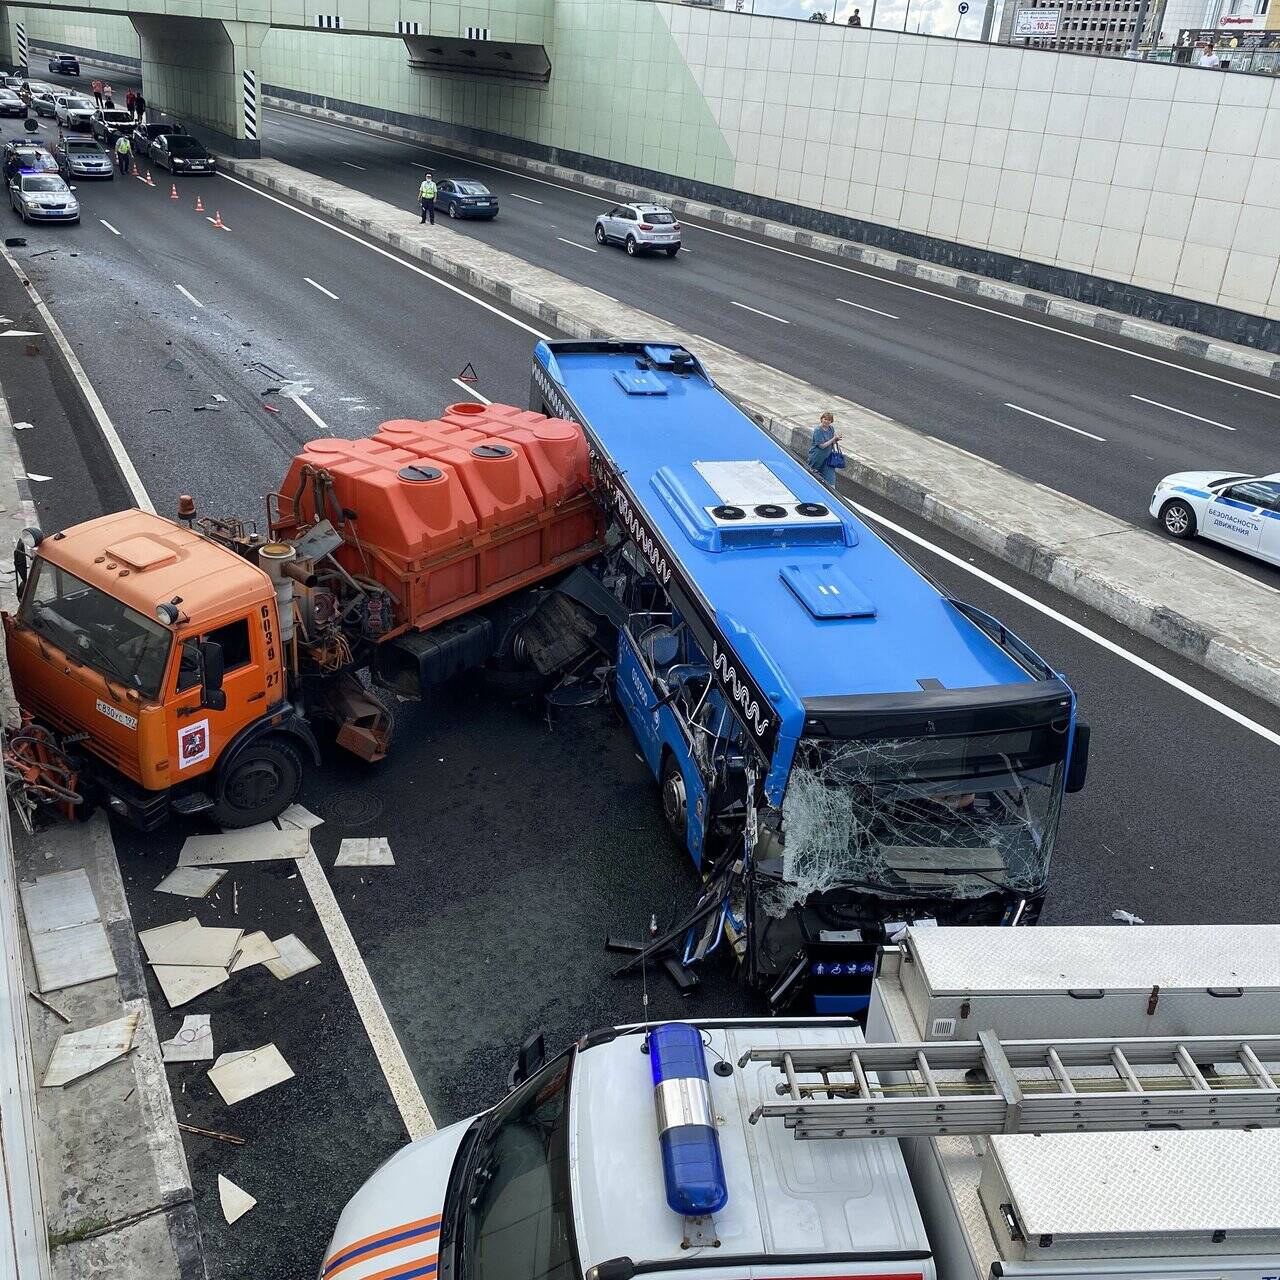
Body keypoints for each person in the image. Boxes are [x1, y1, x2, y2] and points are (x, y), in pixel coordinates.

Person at [807, 410, 840, 487]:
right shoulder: (818, 430)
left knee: (830, 475)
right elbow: (822, 446)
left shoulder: (831, 429)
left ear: (831, 421)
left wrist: (836, 439)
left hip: (828, 455)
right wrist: (833, 439)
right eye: (825, 419)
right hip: (817, 456)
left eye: (829, 420)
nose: (826, 421)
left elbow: (832, 443)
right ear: (821, 419)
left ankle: (831, 491)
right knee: (813, 473)